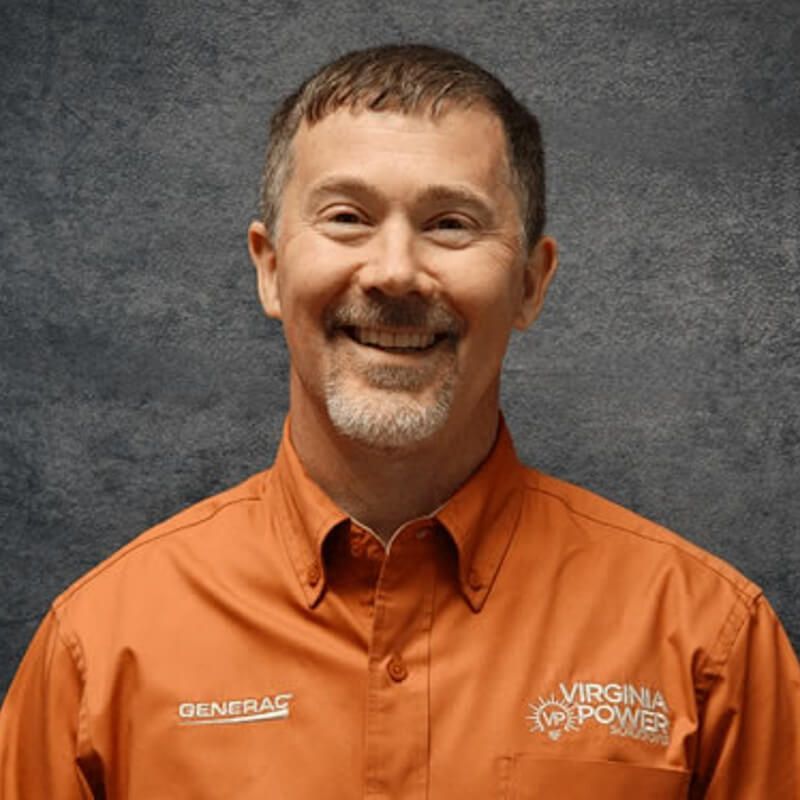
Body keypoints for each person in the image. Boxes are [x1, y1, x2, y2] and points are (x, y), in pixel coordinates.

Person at [1, 43, 798, 799]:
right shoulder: (98, 650)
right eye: (346, 217)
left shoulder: (709, 643)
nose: (394, 273)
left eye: (451, 223)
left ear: (530, 283)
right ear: (271, 268)